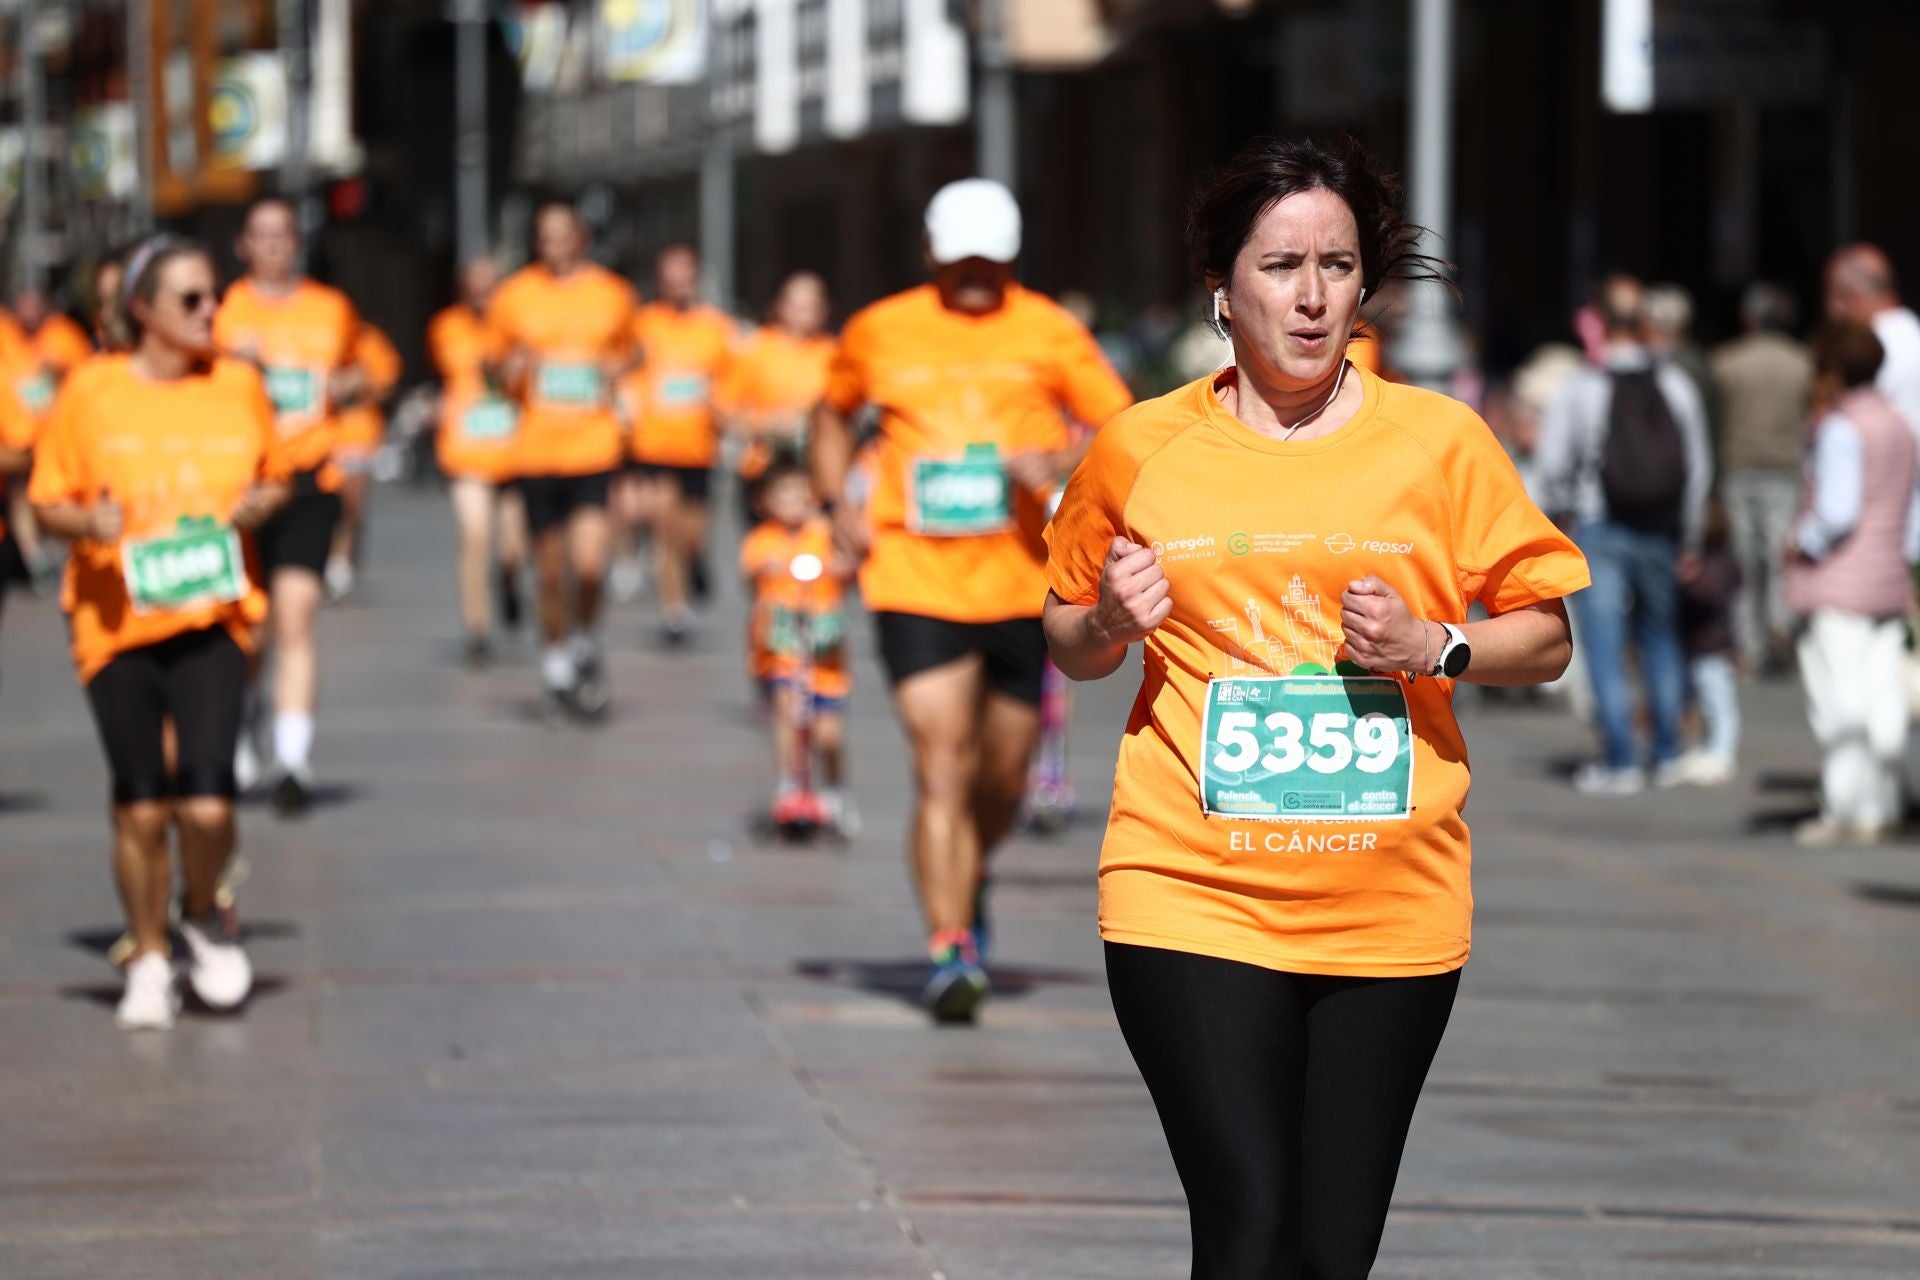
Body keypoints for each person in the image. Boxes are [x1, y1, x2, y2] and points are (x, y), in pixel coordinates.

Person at [1043, 135, 1587, 1280]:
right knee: (1245, 1227)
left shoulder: (1440, 442)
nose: (1310, 295)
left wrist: (1434, 644)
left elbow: (1543, 636)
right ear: (1221, 289)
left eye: (1337, 266)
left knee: (1329, 1256)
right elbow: (1067, 637)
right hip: (1190, 887)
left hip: (1388, 902)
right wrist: (1107, 621)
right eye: (1280, 266)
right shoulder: (1141, 444)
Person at [810, 177, 1134, 1022]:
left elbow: (1126, 427)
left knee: (1002, 779)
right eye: (962, 265)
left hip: (1025, 583)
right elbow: (830, 412)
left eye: (992, 264)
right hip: (912, 576)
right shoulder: (880, 329)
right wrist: (835, 507)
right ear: (930, 257)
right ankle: (950, 947)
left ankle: (971, 870)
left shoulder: (1050, 330)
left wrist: (1062, 457)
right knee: (940, 764)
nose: (978, 279)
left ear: (1014, 259)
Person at [29, 236, 291, 1029]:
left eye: (213, 295)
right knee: (142, 807)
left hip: (213, 613)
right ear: (141, 311)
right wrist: (89, 521)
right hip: (117, 620)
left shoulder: (239, 386)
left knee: (208, 803)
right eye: (191, 299)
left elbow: (276, 475)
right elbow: (48, 502)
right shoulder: (92, 391)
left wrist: (260, 505)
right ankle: (147, 956)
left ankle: (201, 910)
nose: (213, 310)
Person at [214, 197, 371, 816]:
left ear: (297, 245)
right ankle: (247, 711)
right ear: (243, 246)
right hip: (242, 485)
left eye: (284, 234)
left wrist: (346, 384)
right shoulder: (222, 312)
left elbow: (367, 371)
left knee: (296, 619)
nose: (274, 245)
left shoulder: (331, 309)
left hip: (310, 478)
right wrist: (234, 367)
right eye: (262, 234)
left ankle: (293, 757)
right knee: (250, 630)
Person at [1536, 274, 1712, 794]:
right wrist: (1692, 536)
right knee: (1661, 639)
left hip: (1599, 525)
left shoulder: (1583, 387)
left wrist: (1557, 517)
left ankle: (1620, 760)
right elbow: (1698, 466)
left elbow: (1552, 464)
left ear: (1601, 323)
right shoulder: (1674, 385)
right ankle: (1665, 753)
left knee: (1606, 646)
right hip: (1661, 528)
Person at [486, 201, 637, 718]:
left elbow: (634, 350)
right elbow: (493, 370)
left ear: (581, 239)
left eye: (561, 235)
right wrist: (512, 366)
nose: (551, 244)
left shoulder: (612, 294)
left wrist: (618, 371)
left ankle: (584, 642)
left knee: (591, 565)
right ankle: (554, 662)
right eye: (542, 235)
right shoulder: (515, 296)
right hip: (536, 451)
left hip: (594, 446)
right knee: (550, 573)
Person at [1785, 322, 1920, 846]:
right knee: (1882, 696)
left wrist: (1800, 539)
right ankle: (1885, 802)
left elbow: (1837, 512)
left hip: (1840, 581)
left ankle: (1847, 808)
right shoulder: (1899, 423)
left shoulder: (1842, 427)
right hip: (1887, 576)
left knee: (1839, 701)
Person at [623, 244, 736, 644]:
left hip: (699, 447)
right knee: (663, 529)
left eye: (685, 275)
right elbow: (627, 373)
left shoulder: (717, 328)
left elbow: (733, 382)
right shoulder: (642, 325)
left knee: (692, 534)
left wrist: (724, 409)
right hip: (655, 445)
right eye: (670, 276)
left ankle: (696, 559)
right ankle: (674, 611)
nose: (678, 284)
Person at [740, 460, 855, 834]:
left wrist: (839, 565)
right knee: (788, 713)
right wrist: (767, 567)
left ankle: (835, 789)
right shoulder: (763, 540)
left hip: (825, 652)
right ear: (766, 502)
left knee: (829, 733)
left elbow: (849, 565)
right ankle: (789, 780)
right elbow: (750, 570)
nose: (794, 503)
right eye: (784, 495)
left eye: (800, 494)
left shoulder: (824, 533)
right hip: (783, 649)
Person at [1711, 283, 1814, 673]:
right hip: (1785, 466)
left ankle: (1750, 644)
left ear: (1748, 318)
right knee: (1779, 555)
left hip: (1739, 465)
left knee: (1743, 560)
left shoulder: (1727, 362)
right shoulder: (1802, 362)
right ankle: (1779, 625)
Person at [430, 256, 528, 665]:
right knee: (474, 537)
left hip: (515, 451)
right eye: (475, 284)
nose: (482, 293)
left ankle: (508, 581)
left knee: (512, 548)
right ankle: (477, 627)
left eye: (490, 285)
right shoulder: (446, 328)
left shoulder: (520, 329)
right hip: (467, 450)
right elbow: (448, 376)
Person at [716, 272, 835, 532]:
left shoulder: (835, 354)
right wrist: (766, 425)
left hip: (815, 476)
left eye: (811, 304)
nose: (804, 312)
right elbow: (722, 410)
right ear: (780, 305)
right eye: (796, 303)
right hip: (765, 473)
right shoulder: (755, 349)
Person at [325, 321, 403, 601]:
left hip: (359, 432)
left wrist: (361, 383)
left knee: (351, 504)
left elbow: (386, 384)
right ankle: (332, 559)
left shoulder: (370, 342)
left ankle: (342, 559)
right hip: (324, 436)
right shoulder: (316, 343)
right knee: (327, 503)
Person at [1824, 244, 1920, 439]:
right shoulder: (1912, 331)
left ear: (1852, 299)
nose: (1829, 312)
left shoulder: (1869, 350)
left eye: (1829, 295)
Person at [1678, 499, 1741, 786]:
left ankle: (1722, 753)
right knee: (1707, 703)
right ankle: (1710, 749)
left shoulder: (1713, 566)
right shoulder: (1728, 563)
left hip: (1712, 648)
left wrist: (1691, 583)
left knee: (1719, 703)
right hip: (1706, 646)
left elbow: (1711, 595)